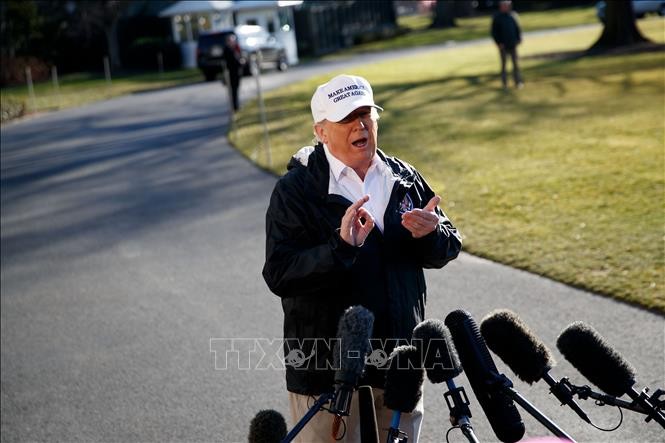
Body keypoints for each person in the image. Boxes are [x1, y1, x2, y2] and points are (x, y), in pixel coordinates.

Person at [262, 74, 462, 442]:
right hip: (327, 374)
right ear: (321, 132)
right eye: (346, 118)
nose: (360, 125)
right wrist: (340, 248)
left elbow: (448, 245)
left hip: (399, 366)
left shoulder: (402, 176)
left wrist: (432, 235)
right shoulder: (296, 192)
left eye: (366, 115)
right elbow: (279, 274)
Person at [491, 0, 524, 89]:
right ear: (501, 6)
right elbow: (494, 32)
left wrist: (519, 39)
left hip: (513, 44)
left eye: (508, 5)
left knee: (515, 64)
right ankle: (504, 84)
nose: (507, 7)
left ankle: (518, 82)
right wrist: (498, 43)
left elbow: (517, 28)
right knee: (504, 65)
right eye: (505, 5)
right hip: (503, 46)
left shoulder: (513, 16)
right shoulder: (497, 17)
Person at [223, 33, 243, 111]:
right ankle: (235, 107)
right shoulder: (228, 50)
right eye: (231, 41)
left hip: (236, 73)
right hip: (232, 74)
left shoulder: (234, 49)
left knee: (235, 90)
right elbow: (235, 61)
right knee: (233, 91)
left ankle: (236, 105)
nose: (233, 42)